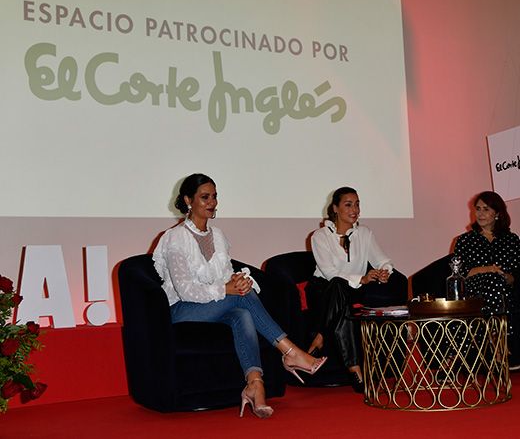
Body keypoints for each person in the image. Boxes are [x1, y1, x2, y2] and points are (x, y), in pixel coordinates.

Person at [152, 173, 326, 419]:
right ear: (188, 200)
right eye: (204, 197)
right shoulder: (175, 238)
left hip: (215, 306)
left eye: (214, 196)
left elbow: (224, 276)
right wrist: (227, 289)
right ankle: (290, 352)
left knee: (242, 313)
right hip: (181, 309)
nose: (212, 202)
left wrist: (237, 282)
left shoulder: (219, 236)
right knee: (239, 298)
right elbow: (185, 290)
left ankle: (255, 385)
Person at [305, 187, 408, 392]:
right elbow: (329, 273)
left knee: (345, 294)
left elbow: (383, 260)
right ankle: (354, 368)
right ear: (335, 208)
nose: (355, 209)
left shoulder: (364, 233)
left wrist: (384, 271)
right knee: (338, 287)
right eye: (348, 204)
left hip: (353, 289)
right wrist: (362, 277)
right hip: (324, 290)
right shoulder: (319, 236)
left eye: (357, 204)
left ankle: (320, 336)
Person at [453, 191, 520, 323]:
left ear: (497, 213)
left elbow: (515, 275)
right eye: (477, 209)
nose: (480, 213)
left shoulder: (511, 240)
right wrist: (489, 269)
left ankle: (491, 332)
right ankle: (496, 333)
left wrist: (504, 276)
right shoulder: (465, 240)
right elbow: (460, 274)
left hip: (502, 288)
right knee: (493, 282)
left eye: (486, 209)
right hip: (473, 289)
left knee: (497, 283)